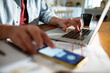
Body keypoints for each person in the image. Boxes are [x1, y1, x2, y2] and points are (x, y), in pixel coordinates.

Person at [0, 0, 83, 54]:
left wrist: (59, 21)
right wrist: (10, 30)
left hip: (33, 41)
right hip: (4, 43)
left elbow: (45, 13)